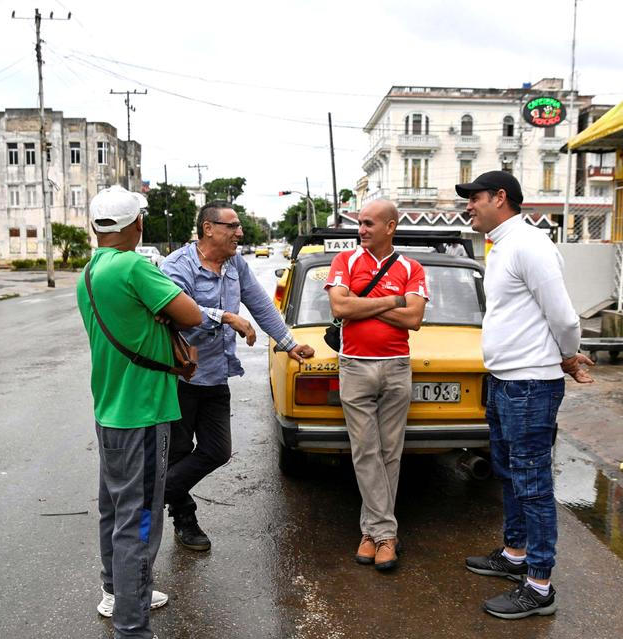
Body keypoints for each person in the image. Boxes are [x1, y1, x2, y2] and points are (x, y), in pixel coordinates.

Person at [76, 185, 202, 639]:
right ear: (137, 226)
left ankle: (116, 593)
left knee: (114, 508)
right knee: (140, 522)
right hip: (143, 413)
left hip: (111, 410)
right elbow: (189, 314)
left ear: (94, 227)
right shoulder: (133, 267)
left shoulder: (88, 273)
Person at [456, 171, 593, 619]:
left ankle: (539, 586)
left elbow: (564, 317)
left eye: (475, 197)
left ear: (500, 197)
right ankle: (514, 555)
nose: (469, 205)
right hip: (505, 380)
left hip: (530, 384)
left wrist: (569, 357)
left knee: (532, 483)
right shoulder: (502, 245)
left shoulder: (529, 245)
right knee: (510, 473)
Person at [160, 201, 314, 551]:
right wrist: (226, 316)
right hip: (179, 377)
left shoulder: (235, 264)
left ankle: (151, 495)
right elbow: (175, 309)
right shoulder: (177, 265)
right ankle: (184, 518)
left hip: (215, 375)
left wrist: (289, 344)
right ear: (208, 228)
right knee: (180, 452)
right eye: (232, 226)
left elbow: (260, 305)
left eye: (239, 226)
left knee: (217, 451)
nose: (239, 232)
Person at [326, 199, 428, 572]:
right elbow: (340, 309)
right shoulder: (345, 262)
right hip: (355, 366)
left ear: (390, 227)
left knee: (390, 453)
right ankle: (386, 535)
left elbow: (414, 318)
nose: (362, 229)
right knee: (365, 451)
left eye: (370, 223)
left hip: (397, 367)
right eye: (360, 223)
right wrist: (392, 301)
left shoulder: (411, 267)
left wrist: (363, 301)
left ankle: (370, 533)